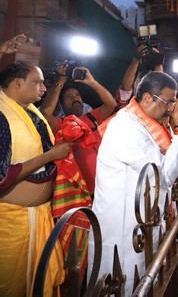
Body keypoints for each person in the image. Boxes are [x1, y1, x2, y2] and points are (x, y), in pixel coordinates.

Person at [91, 71, 178, 296]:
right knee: (127, 287)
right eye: (168, 103)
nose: (171, 109)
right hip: (124, 235)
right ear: (147, 99)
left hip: (142, 227)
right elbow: (164, 175)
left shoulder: (146, 123)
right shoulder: (125, 128)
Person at [0, 61, 72, 297]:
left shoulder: (30, 110)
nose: (43, 88)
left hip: (37, 217)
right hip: (11, 224)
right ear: (18, 83)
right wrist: (50, 156)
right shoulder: (2, 116)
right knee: (12, 286)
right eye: (37, 82)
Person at [40, 65, 117, 196]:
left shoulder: (92, 118)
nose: (75, 98)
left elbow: (111, 104)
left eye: (77, 95)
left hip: (106, 188)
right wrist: (60, 81)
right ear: (62, 104)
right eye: (69, 97)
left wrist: (92, 82)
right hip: (78, 192)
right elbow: (44, 115)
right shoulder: (61, 124)